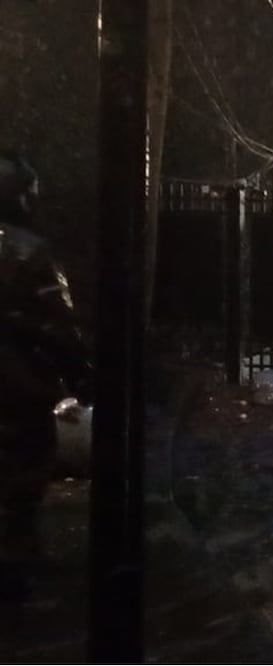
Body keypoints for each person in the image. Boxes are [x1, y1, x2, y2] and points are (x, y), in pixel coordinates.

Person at [0, 151, 92, 608]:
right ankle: (14, 571)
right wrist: (80, 373)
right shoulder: (25, 250)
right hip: (15, 385)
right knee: (21, 472)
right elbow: (57, 323)